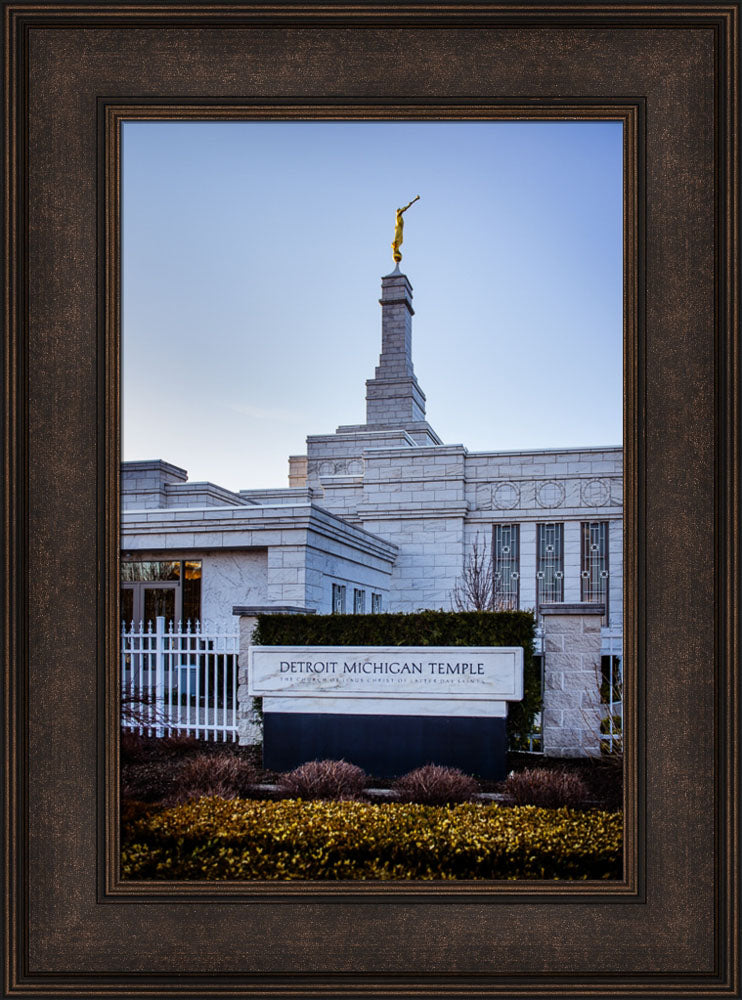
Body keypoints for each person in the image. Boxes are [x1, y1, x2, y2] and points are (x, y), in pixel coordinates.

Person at [391, 195, 420, 262]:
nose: (400, 210)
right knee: (398, 240)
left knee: (399, 241)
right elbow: (404, 209)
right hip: (398, 229)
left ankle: (396, 250)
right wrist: (412, 202)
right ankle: (395, 249)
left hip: (399, 229)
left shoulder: (399, 217)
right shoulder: (398, 215)